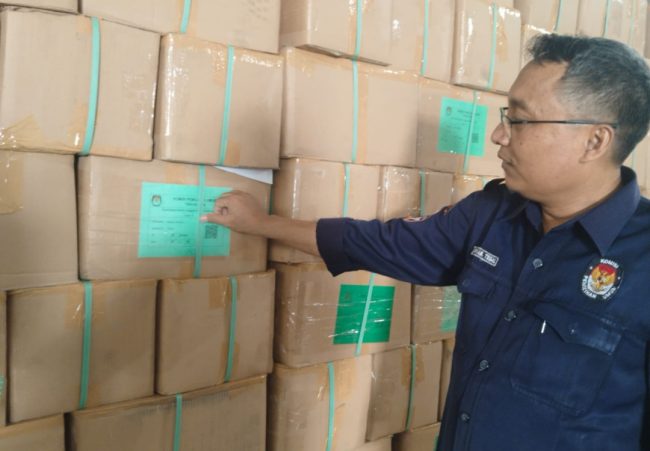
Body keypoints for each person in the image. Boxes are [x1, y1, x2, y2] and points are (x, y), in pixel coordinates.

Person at [202, 34, 650, 450]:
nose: (499, 134)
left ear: (594, 141)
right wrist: (260, 223)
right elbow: (377, 243)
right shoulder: (493, 214)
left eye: (520, 120)